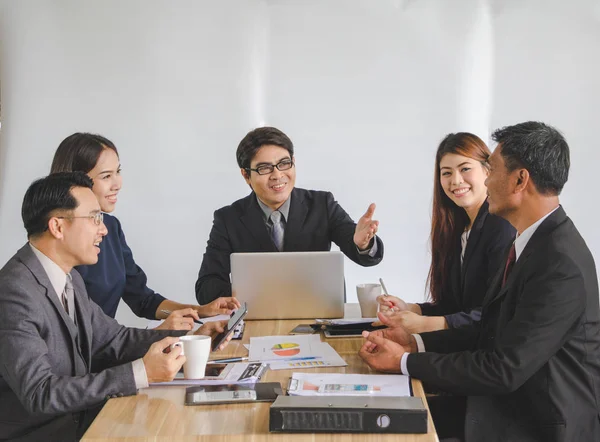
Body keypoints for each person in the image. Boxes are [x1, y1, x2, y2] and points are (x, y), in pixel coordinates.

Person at [359, 122, 600, 442]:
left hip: (534, 424)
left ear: (519, 179)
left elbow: (503, 369)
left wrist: (405, 362)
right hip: (505, 405)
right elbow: (490, 327)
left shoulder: (559, 264)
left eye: (492, 169)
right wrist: (413, 343)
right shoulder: (534, 242)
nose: (487, 178)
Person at [0, 172, 231, 441]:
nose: (104, 229)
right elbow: (41, 393)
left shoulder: (69, 276)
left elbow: (115, 339)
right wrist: (141, 373)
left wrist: (191, 338)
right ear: (58, 227)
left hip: (87, 421)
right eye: (95, 218)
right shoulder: (14, 292)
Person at [50, 133, 240, 330]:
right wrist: (158, 335)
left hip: (107, 348)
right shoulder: (60, 243)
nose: (118, 184)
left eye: (118, 172)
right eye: (106, 176)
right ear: (75, 182)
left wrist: (199, 311)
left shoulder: (111, 228)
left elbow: (143, 300)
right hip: (88, 355)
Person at [195, 126, 384, 304]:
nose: (277, 175)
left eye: (284, 164)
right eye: (264, 168)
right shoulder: (228, 219)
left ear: (294, 163)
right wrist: (246, 294)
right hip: (255, 320)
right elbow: (206, 286)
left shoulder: (322, 204)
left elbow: (364, 256)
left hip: (318, 316)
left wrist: (363, 244)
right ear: (246, 175)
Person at [376, 133, 515, 333]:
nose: (456, 181)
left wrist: (423, 325)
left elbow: (495, 314)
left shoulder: (501, 226)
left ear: (487, 170)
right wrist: (411, 309)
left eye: (465, 169)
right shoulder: (459, 229)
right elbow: (454, 307)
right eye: (447, 173)